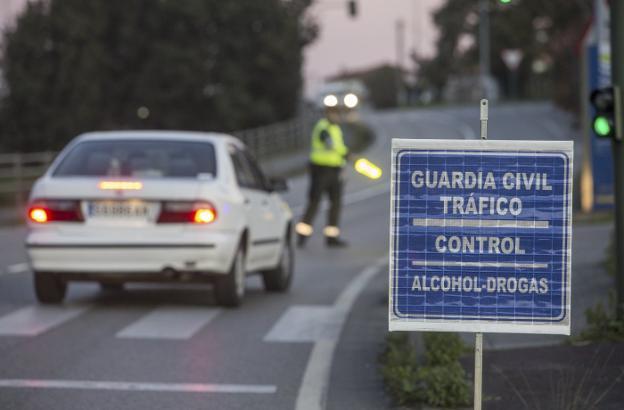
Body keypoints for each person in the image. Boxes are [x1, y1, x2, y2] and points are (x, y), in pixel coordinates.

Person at [296, 105, 349, 248]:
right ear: (328, 114)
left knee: (336, 203)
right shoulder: (323, 127)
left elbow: (339, 149)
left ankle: (332, 237)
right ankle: (302, 235)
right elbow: (329, 144)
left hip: (335, 170)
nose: (337, 117)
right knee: (314, 202)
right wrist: (346, 154)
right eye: (334, 114)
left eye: (338, 114)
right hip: (320, 170)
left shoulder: (336, 129)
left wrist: (345, 160)